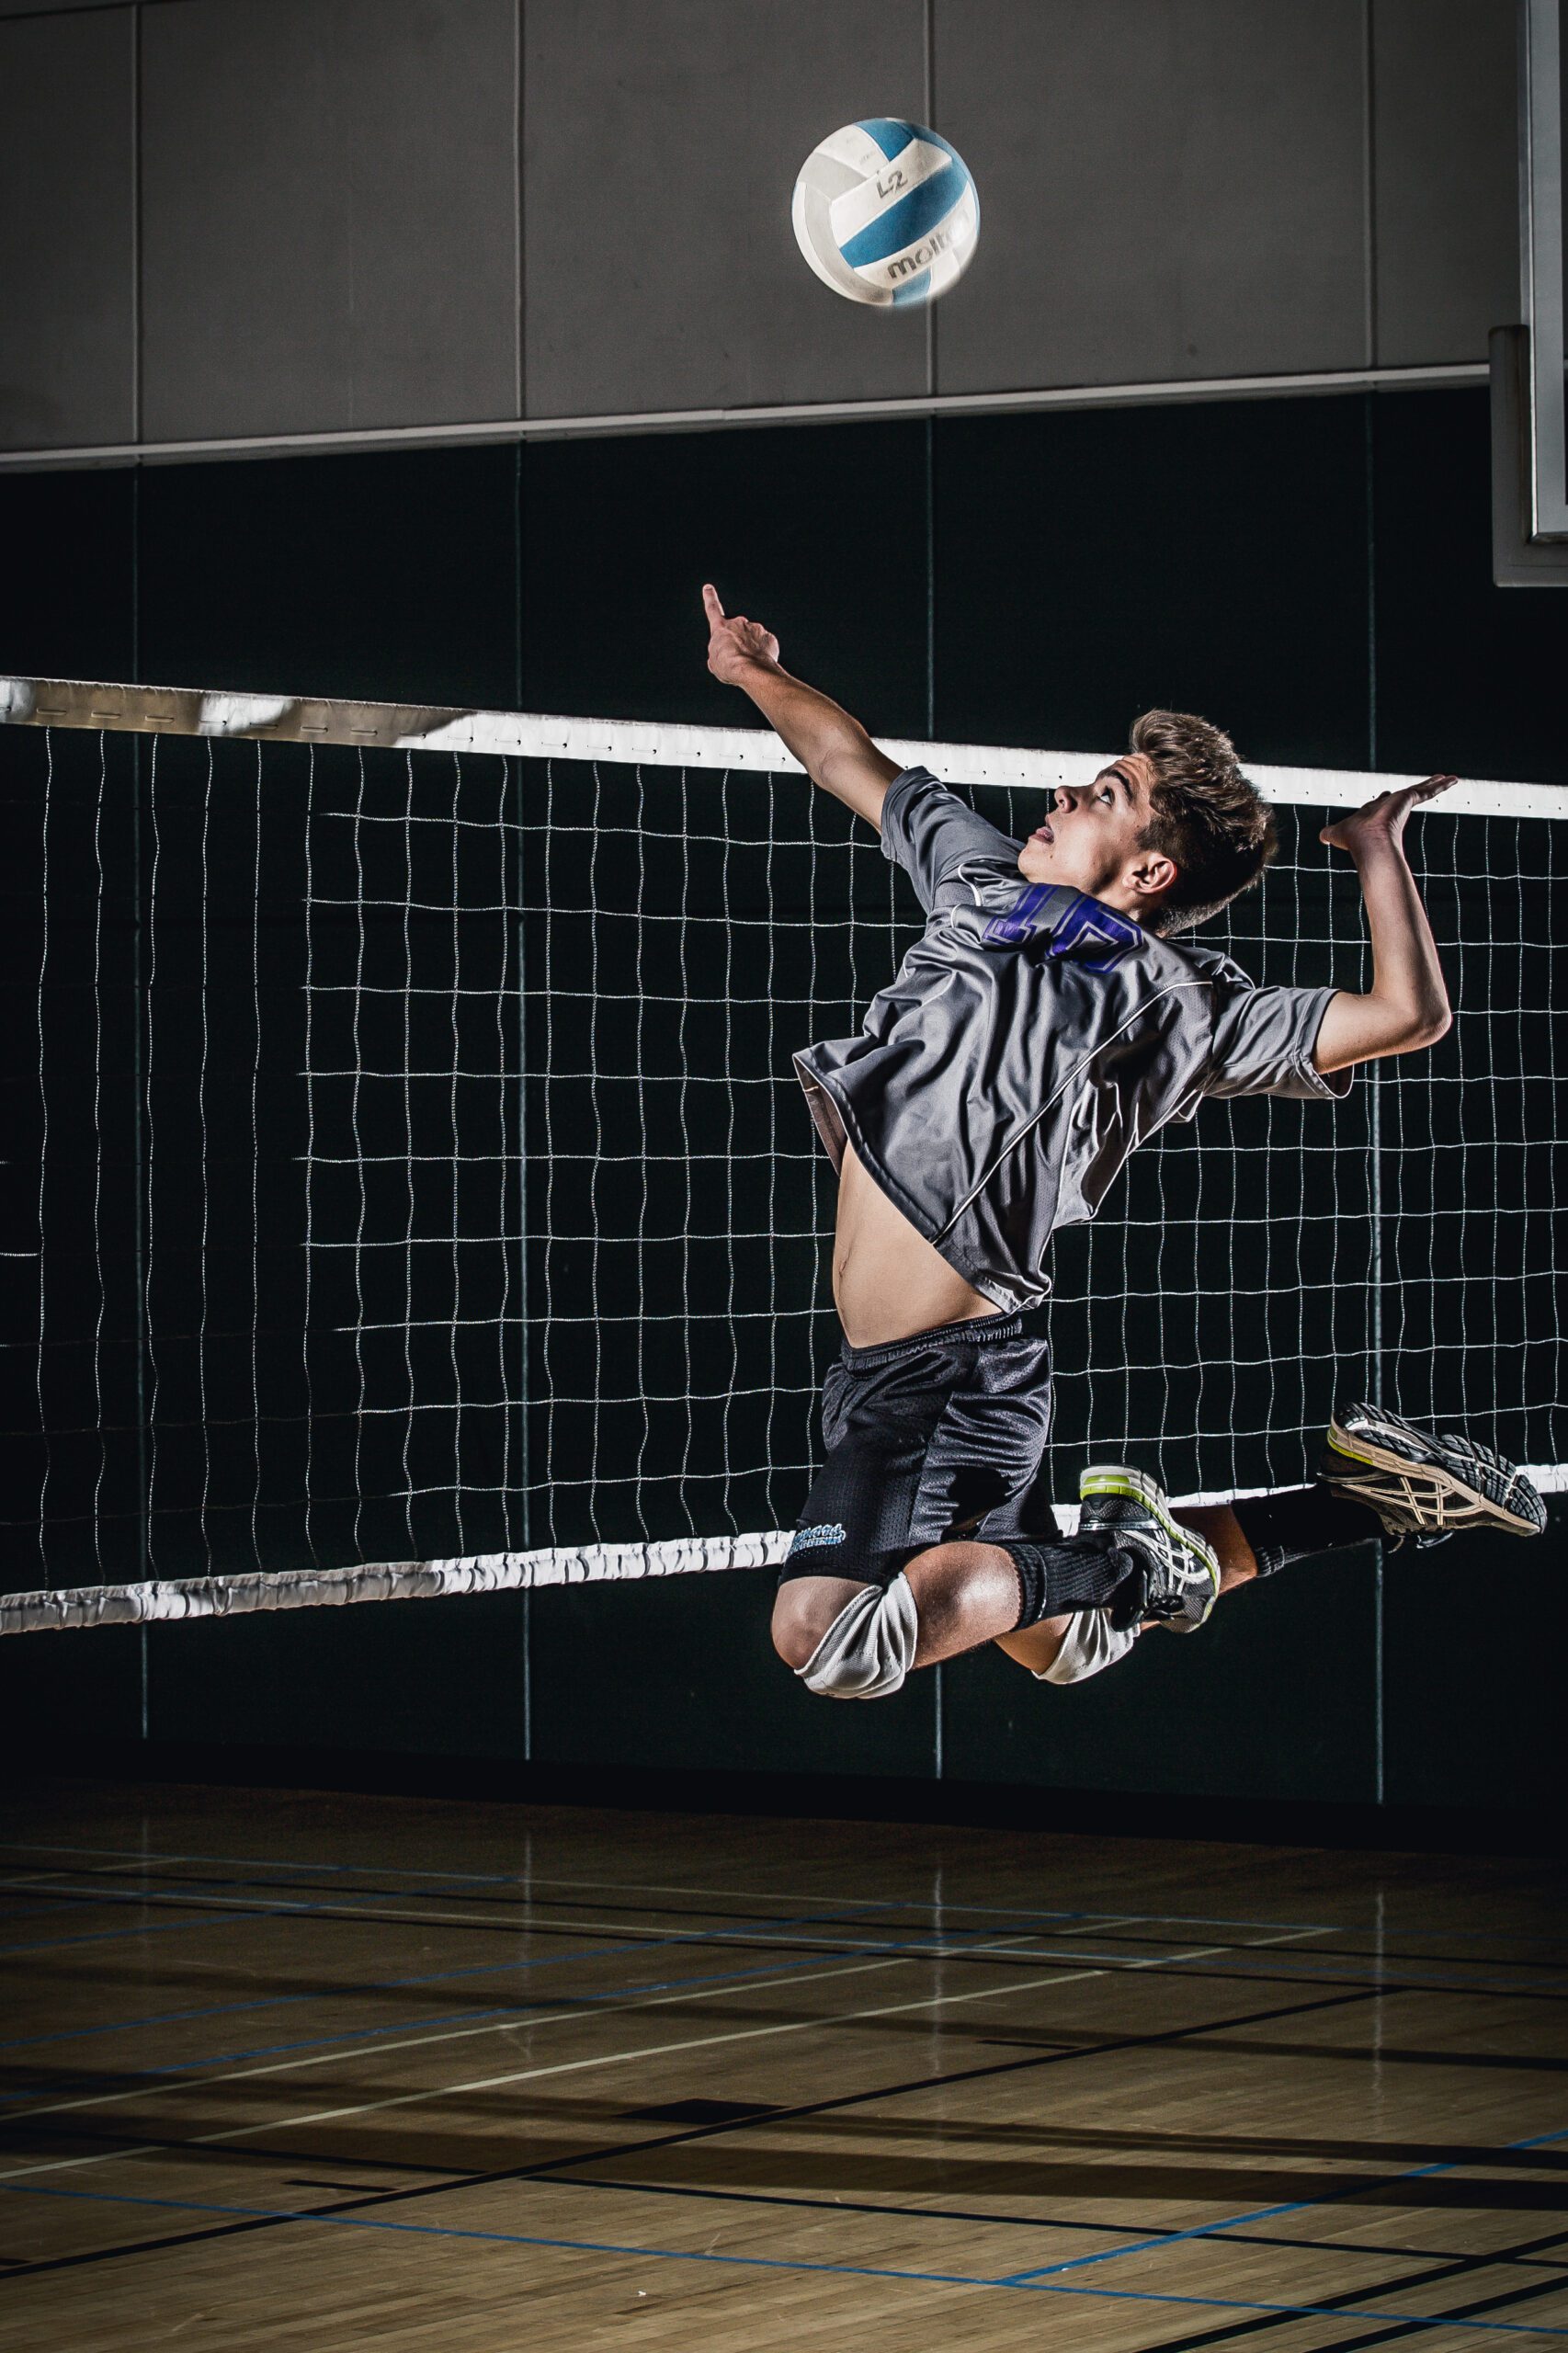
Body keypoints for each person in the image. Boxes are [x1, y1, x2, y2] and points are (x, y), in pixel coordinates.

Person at [700, 585, 1545, 1701]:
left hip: (952, 1374)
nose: (1060, 792)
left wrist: (1373, 849)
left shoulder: (1175, 998)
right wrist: (750, 672)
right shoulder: (977, 876)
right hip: (877, 1372)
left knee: (828, 1635)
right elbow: (845, 760)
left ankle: (1130, 1554)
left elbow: (1404, 1017)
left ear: (1150, 872)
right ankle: (1347, 1507)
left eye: (1101, 794)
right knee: (1067, 1640)